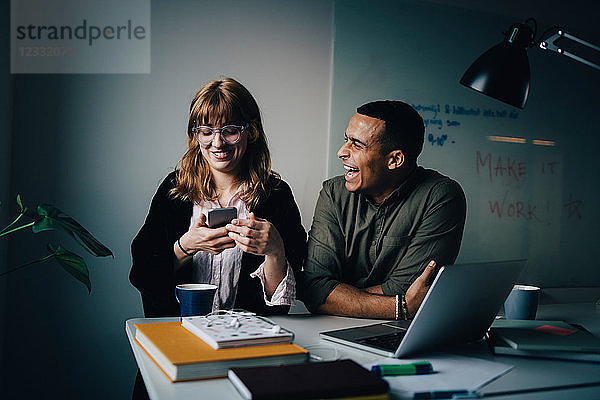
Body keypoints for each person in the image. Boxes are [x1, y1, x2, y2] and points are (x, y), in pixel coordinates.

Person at [129, 78, 306, 318]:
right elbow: (142, 274)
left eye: (230, 131)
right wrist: (186, 246)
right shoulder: (174, 190)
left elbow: (279, 304)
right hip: (177, 334)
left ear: (250, 132)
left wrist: (275, 251)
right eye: (206, 131)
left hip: (247, 337)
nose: (217, 142)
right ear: (196, 135)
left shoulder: (276, 195)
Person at [302, 100, 466, 320]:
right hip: (328, 330)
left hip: (403, 333)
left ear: (395, 159)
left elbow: (407, 288)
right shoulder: (333, 192)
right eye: (346, 140)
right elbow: (314, 286)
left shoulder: (440, 196)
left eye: (357, 145)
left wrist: (333, 294)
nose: (342, 152)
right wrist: (400, 307)